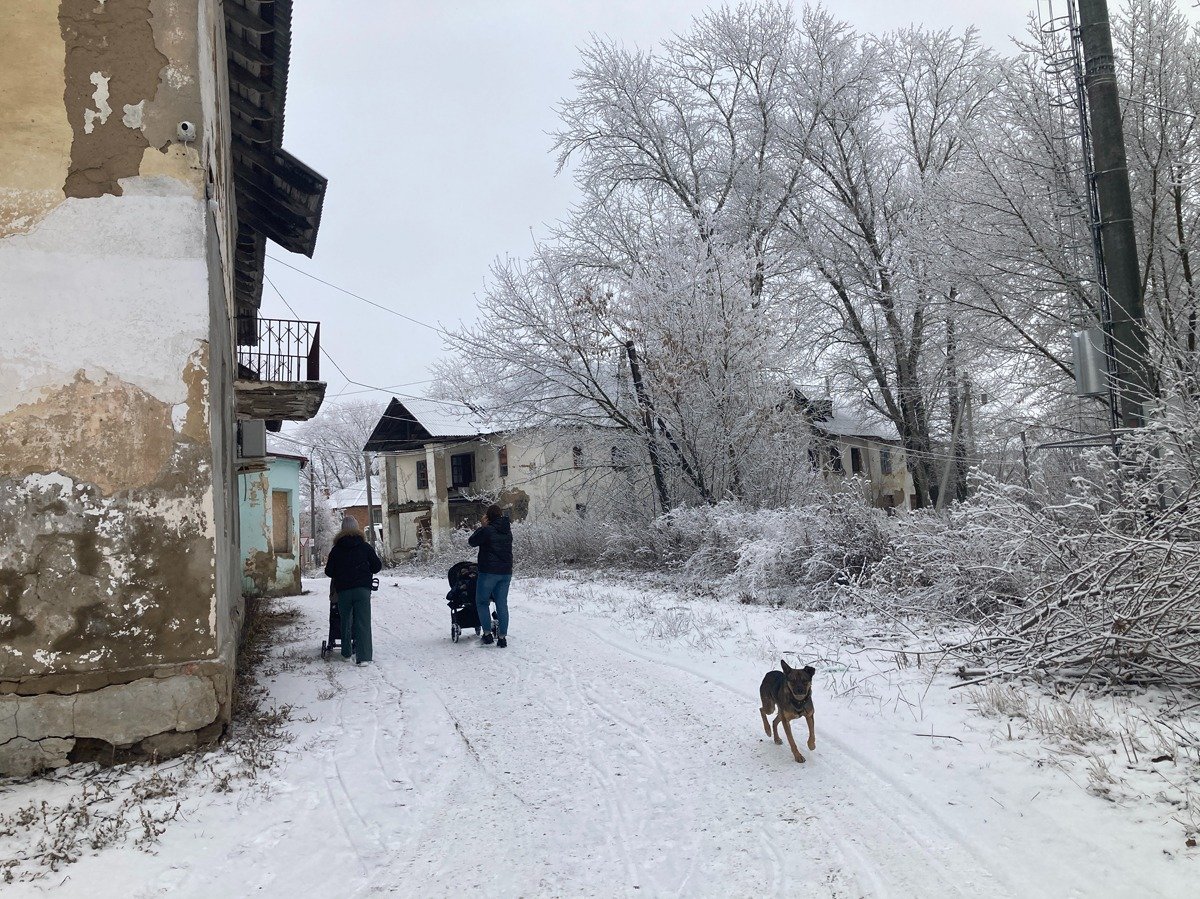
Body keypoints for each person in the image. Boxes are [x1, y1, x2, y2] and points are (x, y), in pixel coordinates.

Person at [324, 516, 382, 665]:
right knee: (363, 622)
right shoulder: (365, 546)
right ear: (357, 528)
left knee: (345, 621)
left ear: (342, 529)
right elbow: (377, 566)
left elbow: (329, 571)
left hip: (343, 591)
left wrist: (341, 571)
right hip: (362, 590)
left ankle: (346, 653)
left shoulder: (336, 549)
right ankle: (363, 658)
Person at [468, 504, 512, 647]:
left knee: (482, 602)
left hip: (488, 572)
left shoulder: (487, 530)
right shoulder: (507, 531)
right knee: (501, 604)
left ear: (488, 517)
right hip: (505, 572)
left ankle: (487, 635)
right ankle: (502, 637)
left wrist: (482, 526)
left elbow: (472, 542)